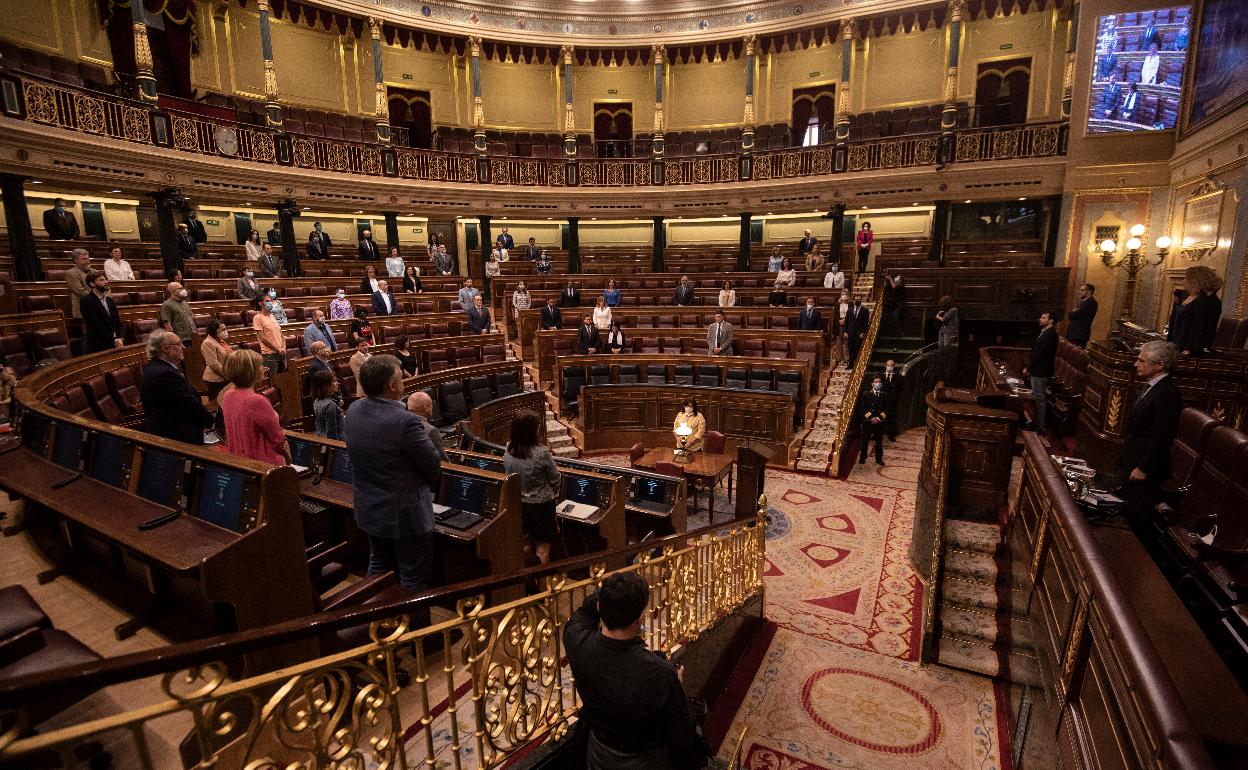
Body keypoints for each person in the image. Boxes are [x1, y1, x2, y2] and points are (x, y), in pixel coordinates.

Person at [564, 572, 711, 770]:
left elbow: (582, 614)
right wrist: (676, 684)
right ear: (641, 618)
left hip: (597, 755)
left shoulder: (577, 642)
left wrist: (608, 593)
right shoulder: (659, 673)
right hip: (644, 762)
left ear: (600, 607)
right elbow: (682, 735)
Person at [345, 355, 443, 594]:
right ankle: (416, 630)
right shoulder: (406, 421)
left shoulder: (354, 409)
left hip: (369, 508)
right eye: (400, 379)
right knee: (413, 577)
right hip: (406, 515)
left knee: (378, 567)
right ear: (392, 386)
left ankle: (376, 624)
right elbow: (433, 465)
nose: (403, 383)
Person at [1119, 340, 1181, 524]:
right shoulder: (1152, 387)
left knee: (1137, 517)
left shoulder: (1168, 393)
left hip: (1145, 468)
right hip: (1133, 459)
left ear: (1160, 365)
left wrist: (1144, 468)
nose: (1135, 364)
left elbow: (1163, 437)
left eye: (1141, 360)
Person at [504, 411, 561, 565]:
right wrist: (553, 493)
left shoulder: (509, 448)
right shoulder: (541, 452)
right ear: (531, 430)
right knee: (543, 549)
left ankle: (528, 582)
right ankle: (544, 585)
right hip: (541, 507)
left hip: (519, 505)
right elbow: (555, 479)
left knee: (526, 545)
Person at [140, 330, 213, 445]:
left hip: (170, 429)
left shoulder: (156, 367)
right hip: (176, 436)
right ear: (166, 348)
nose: (183, 347)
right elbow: (188, 404)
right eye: (179, 344)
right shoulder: (165, 374)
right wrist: (211, 422)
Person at [220, 349, 288, 465]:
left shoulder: (227, 395)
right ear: (251, 371)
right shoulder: (257, 401)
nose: (263, 368)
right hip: (263, 463)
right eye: (260, 365)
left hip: (239, 460)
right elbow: (277, 439)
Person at [1023, 310, 1058, 434]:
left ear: (1051, 321)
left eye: (1043, 318)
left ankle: (1040, 427)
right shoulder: (1044, 333)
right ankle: (1037, 423)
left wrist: (1029, 367)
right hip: (1038, 370)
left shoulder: (1051, 335)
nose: (1040, 319)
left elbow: (1040, 354)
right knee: (1038, 398)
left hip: (1041, 371)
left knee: (1039, 399)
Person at [80, 271, 124, 354]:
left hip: (115, 342)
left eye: (105, 280)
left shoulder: (110, 300)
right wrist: (113, 340)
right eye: (101, 280)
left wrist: (120, 338)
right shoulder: (86, 301)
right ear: (92, 284)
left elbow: (117, 321)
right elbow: (95, 325)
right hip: (98, 345)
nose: (106, 282)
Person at [201, 320, 232, 413]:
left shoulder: (220, 341)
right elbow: (213, 364)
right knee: (220, 406)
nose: (225, 331)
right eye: (223, 329)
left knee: (227, 404)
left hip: (225, 376)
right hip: (216, 379)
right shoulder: (208, 343)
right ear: (214, 330)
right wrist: (229, 375)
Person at [253, 296, 288, 375]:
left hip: (281, 354)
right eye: (267, 301)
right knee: (273, 382)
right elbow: (262, 338)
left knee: (284, 379)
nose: (270, 303)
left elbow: (281, 334)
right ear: (260, 303)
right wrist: (278, 349)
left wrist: (283, 348)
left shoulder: (272, 316)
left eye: (270, 301)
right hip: (270, 356)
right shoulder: (257, 318)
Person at [405, 391, 445, 459]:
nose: (432, 406)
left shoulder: (401, 423)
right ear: (426, 407)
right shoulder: (431, 431)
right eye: (431, 404)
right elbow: (441, 459)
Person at [859, 376, 888, 466]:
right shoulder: (866, 394)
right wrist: (871, 418)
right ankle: (862, 457)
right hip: (868, 422)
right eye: (876, 382)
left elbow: (887, 409)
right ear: (872, 384)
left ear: (881, 384)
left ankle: (879, 459)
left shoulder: (885, 395)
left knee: (879, 441)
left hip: (879, 422)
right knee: (865, 441)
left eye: (879, 382)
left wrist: (878, 418)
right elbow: (863, 408)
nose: (877, 383)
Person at [311, 368, 345, 440]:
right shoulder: (330, 405)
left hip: (320, 438)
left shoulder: (316, 401)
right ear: (326, 386)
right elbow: (331, 434)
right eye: (334, 381)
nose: (337, 383)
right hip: (337, 444)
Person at [160, 281, 195, 346]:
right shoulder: (166, 305)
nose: (183, 290)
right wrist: (175, 341)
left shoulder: (185, 303)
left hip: (192, 337)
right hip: (181, 340)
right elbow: (167, 324)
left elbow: (191, 317)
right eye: (180, 288)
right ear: (173, 291)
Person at [1066, 283, 1098, 348]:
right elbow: (1071, 315)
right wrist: (1072, 313)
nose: (1079, 292)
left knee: (1076, 355)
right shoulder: (1083, 302)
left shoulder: (1090, 302)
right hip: (1075, 334)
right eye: (1079, 290)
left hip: (1079, 334)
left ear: (1089, 291)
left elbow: (1074, 315)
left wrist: (1073, 312)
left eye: (1082, 290)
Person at [64, 248, 92, 319]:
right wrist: (97, 297)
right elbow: (79, 290)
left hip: (98, 305)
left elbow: (105, 285)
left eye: (88, 258)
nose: (88, 260)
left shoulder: (94, 271)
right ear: (76, 260)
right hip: (82, 307)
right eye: (84, 259)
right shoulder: (71, 273)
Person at [844, 296, 869, 368]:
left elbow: (865, 323)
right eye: (856, 299)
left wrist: (863, 332)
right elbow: (846, 322)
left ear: (861, 300)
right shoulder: (850, 310)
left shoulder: (865, 310)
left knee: (857, 349)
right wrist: (845, 332)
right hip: (850, 332)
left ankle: (857, 365)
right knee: (850, 348)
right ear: (854, 300)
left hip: (859, 333)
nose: (857, 301)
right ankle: (850, 364)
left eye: (859, 299)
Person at [881, 359, 902, 441]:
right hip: (882, 401)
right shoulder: (881, 376)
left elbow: (900, 389)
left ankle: (891, 435)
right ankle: (877, 434)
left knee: (892, 419)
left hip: (893, 402)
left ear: (894, 366)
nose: (890, 367)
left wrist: (895, 398)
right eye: (888, 365)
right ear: (886, 366)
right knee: (880, 418)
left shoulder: (898, 377)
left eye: (891, 365)